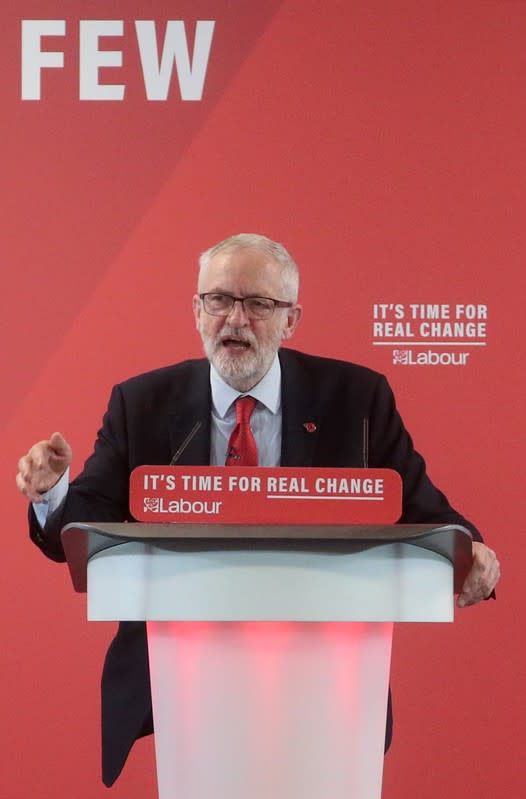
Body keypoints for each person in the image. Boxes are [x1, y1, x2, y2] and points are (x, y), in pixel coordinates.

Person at [17, 233, 500, 786]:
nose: (235, 319)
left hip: (325, 680)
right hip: (182, 678)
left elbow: (425, 510)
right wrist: (52, 492)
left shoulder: (357, 398)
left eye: (259, 304)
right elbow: (79, 529)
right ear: (196, 311)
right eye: (219, 300)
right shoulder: (141, 402)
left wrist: (473, 552)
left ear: (291, 319)